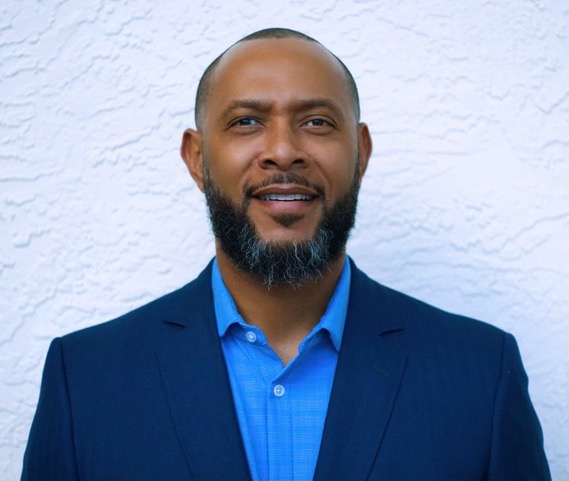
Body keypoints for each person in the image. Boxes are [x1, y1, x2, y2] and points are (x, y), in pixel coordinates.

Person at [22, 28, 550, 481]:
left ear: (360, 154)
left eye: (317, 122)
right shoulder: (86, 379)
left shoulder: (481, 374)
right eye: (247, 121)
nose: (283, 150)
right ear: (197, 158)